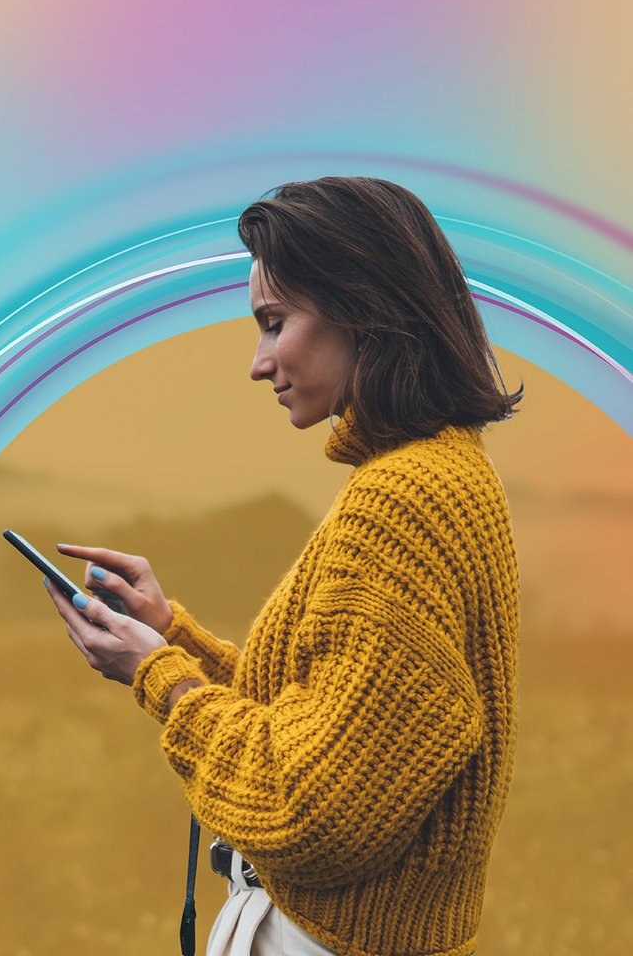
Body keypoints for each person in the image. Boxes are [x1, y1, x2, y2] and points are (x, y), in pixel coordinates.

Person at [43, 176, 522, 956]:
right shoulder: (445, 473)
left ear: (362, 306)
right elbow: (341, 725)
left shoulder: (399, 500)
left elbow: (313, 809)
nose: (260, 363)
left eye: (274, 323)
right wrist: (171, 637)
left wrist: (161, 678)